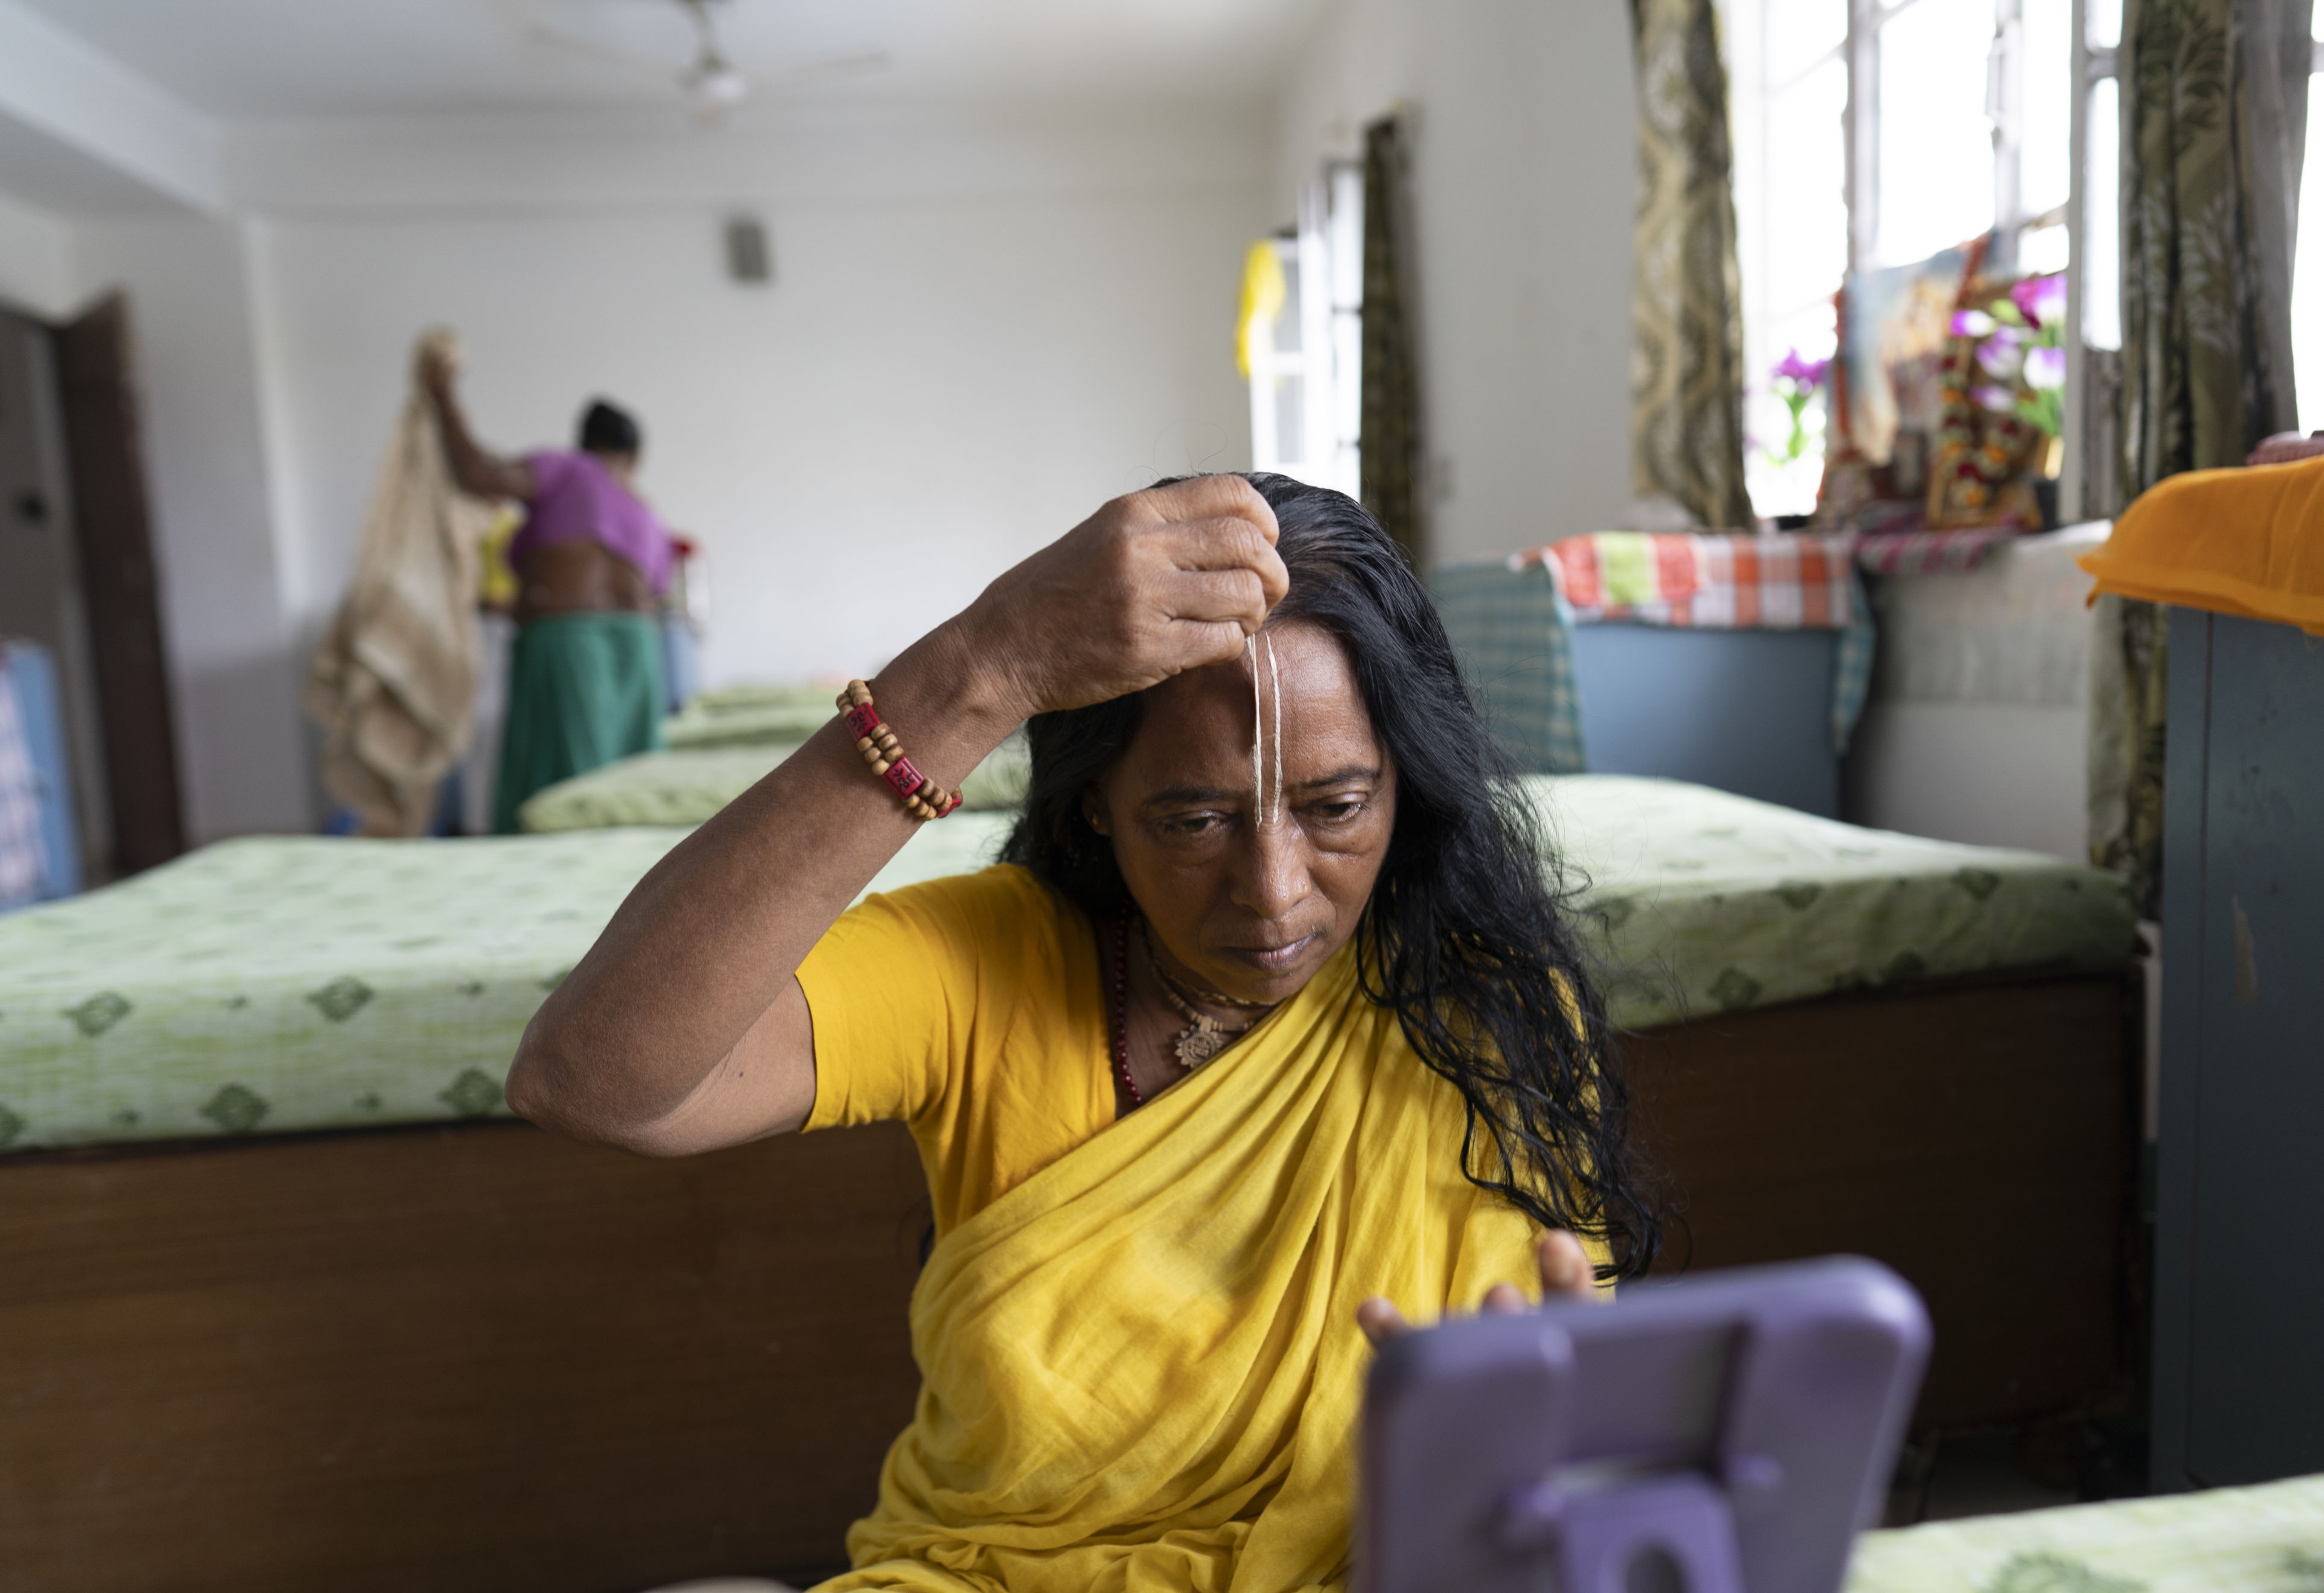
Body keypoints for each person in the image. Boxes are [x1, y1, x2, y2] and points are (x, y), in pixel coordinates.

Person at [509, 474, 1658, 1591]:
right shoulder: (984, 962)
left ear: (1411, 785)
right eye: (1193, 818)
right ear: (1095, 805)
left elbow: (1548, 1479)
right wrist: (980, 666)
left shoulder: (1482, 1017)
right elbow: (590, 1079)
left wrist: (1535, 1485)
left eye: (1336, 807)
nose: (1271, 890)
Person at [418, 349, 673, 833]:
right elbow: (654, 592)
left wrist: (442, 396)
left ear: (584, 444)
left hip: (570, 643)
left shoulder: (564, 469)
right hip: (640, 645)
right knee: (631, 794)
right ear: (635, 457)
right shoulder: (647, 513)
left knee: (568, 797)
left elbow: (478, 475)